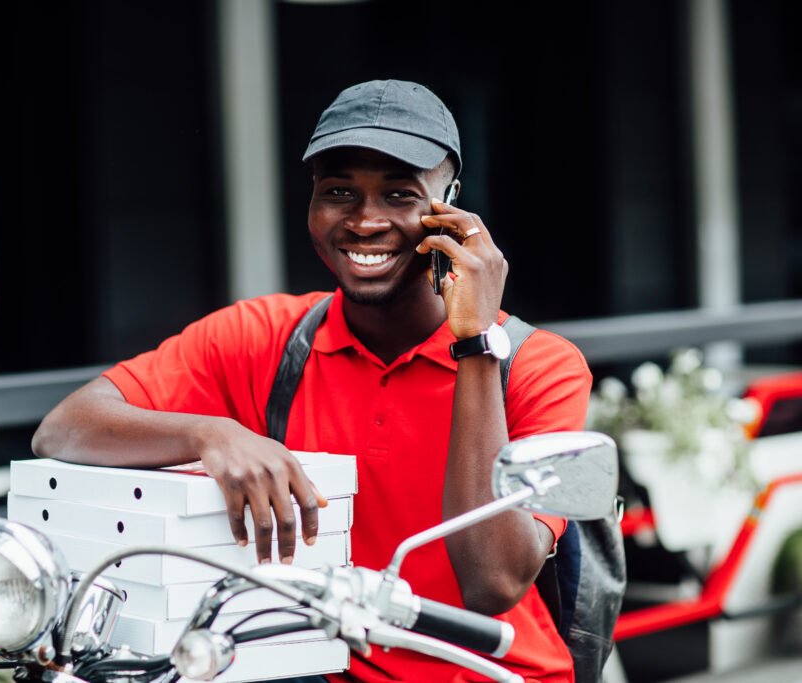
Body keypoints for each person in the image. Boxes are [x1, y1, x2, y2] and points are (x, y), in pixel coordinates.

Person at [32, 79, 591, 682]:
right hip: (307, 669)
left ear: (452, 208)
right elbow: (62, 431)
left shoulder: (541, 365)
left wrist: (476, 340)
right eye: (339, 191)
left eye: (400, 195)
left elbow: (492, 582)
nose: (365, 220)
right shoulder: (262, 335)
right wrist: (211, 434)